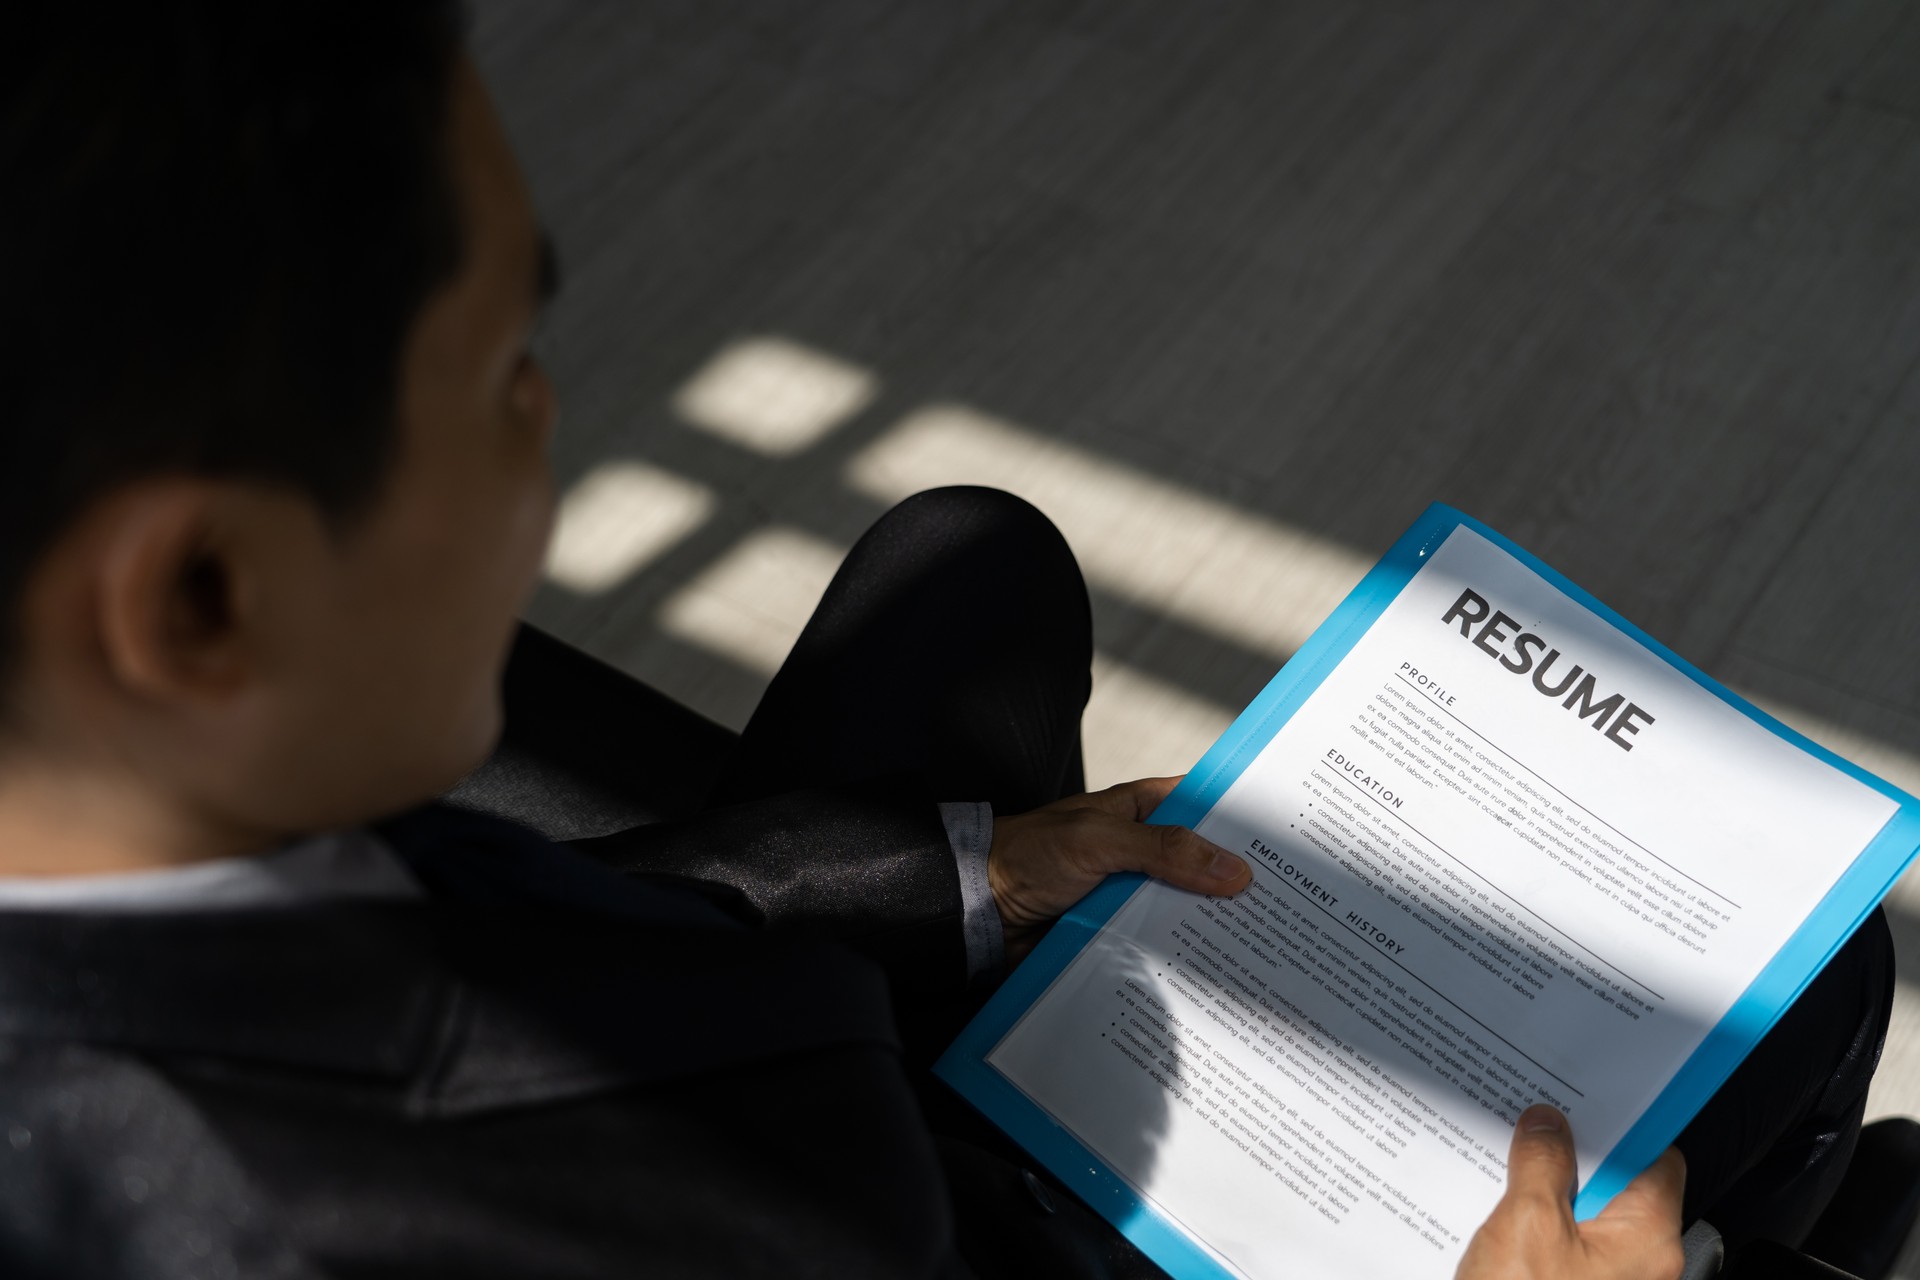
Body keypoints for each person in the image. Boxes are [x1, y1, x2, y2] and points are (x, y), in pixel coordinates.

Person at [0, 4, 1889, 1276]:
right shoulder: (541, 1204)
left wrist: (963, 874)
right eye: (504, 371)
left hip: (795, 1052)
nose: (552, 425)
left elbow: (490, 916)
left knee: (969, 564)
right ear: (197, 600)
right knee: (1805, 997)